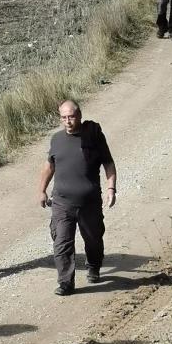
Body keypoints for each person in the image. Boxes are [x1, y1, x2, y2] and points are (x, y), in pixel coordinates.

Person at [38, 100, 117, 296]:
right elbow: (49, 167)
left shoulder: (94, 137)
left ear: (79, 115)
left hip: (89, 202)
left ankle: (93, 266)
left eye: (71, 116)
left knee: (93, 239)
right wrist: (42, 190)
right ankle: (65, 282)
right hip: (62, 202)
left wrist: (111, 188)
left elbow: (108, 163)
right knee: (61, 242)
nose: (68, 121)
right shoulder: (56, 139)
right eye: (64, 117)